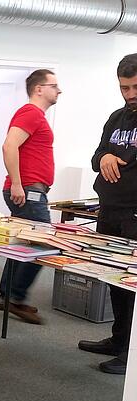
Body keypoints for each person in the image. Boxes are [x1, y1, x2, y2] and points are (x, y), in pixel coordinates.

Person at [78, 54, 137, 375]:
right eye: (124, 87)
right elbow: (97, 154)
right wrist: (106, 158)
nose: (130, 94)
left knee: (133, 283)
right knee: (114, 279)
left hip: (135, 215)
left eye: (135, 87)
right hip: (110, 212)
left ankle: (132, 352)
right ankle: (119, 340)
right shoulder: (118, 117)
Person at [0, 69, 61, 325]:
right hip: (28, 191)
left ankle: (8, 296)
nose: (58, 91)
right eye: (54, 86)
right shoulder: (31, 113)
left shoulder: (35, 115)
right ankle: (14, 296)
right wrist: (17, 184)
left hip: (31, 189)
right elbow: (9, 145)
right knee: (46, 244)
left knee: (23, 245)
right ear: (39, 89)